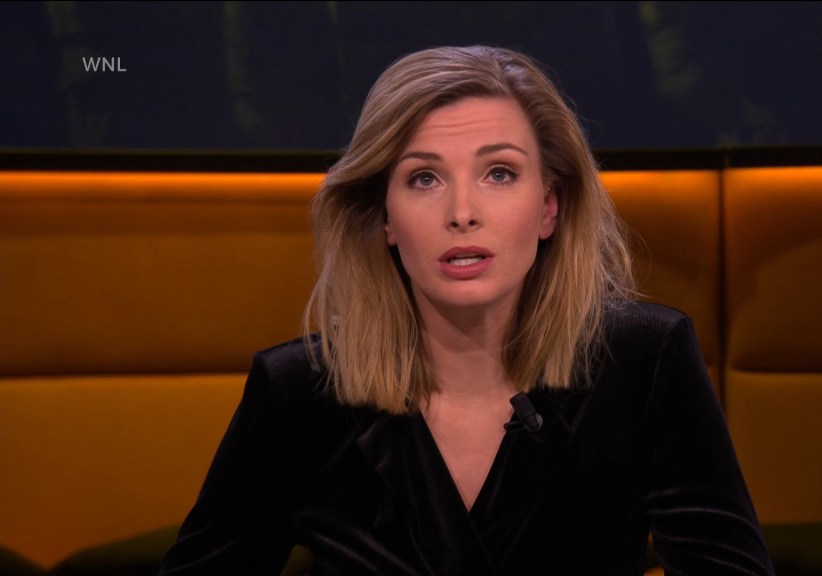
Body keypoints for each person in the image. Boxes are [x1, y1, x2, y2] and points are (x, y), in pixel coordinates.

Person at [158, 45, 775, 576]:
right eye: (424, 179)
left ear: (549, 208)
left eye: (499, 173)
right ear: (386, 218)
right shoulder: (300, 391)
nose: (461, 213)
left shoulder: (642, 361)